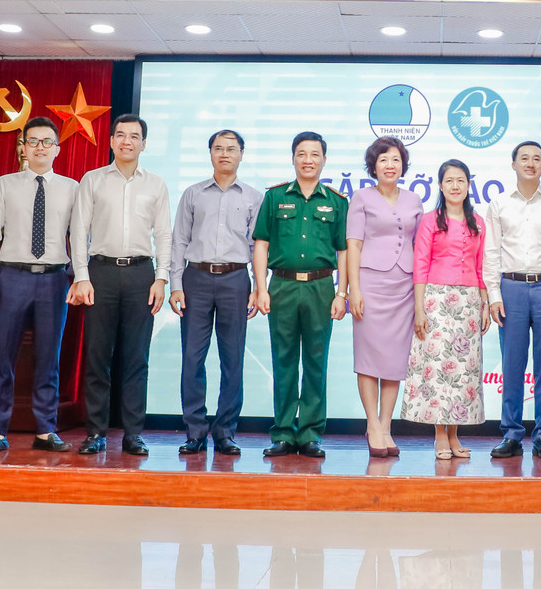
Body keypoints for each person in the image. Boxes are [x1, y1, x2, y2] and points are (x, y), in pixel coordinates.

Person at [0, 115, 80, 453]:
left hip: (54, 279)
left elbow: (80, 237)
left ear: (57, 149)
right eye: (33, 141)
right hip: (12, 277)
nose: (40, 147)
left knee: (49, 358)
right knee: (2, 356)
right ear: (23, 147)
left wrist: (81, 277)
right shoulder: (5, 184)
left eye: (47, 142)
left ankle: (46, 430)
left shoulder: (72, 188)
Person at [71, 114, 172, 457]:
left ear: (144, 144)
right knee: (97, 355)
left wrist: (161, 278)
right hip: (100, 273)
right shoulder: (93, 180)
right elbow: (79, 232)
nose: (127, 141)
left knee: (136, 358)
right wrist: (81, 277)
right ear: (112, 141)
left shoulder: (156, 185)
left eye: (134, 136)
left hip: (141, 274)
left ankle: (133, 434)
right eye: (121, 135)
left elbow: (164, 235)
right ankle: (95, 432)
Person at [253, 131, 349, 458]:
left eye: (315, 154)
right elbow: (261, 244)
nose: (308, 160)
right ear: (293, 158)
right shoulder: (275, 197)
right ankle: (282, 432)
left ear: (324, 160)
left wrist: (342, 293)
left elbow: (343, 251)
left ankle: (310, 433)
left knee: (316, 362)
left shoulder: (337, 201)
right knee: (283, 361)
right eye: (302, 154)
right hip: (282, 285)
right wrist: (261, 288)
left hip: (321, 288)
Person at [169, 129, 262, 457]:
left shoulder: (253, 197)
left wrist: (258, 287)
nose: (225, 154)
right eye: (218, 148)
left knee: (232, 358)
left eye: (231, 149)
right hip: (195, 278)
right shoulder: (193, 194)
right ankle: (194, 431)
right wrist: (175, 284)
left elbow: (257, 246)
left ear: (241, 155)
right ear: (210, 153)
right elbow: (179, 240)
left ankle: (225, 432)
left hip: (236, 280)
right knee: (192, 357)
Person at [483, 140, 541, 459]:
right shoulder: (499, 204)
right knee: (512, 363)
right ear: (514, 164)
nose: (530, 163)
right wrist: (494, 295)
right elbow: (491, 253)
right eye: (524, 158)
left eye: (537, 158)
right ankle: (511, 433)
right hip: (510, 288)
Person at [401, 159, 488, 459]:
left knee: (463, 370)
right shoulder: (430, 220)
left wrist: (485, 304)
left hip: (469, 303)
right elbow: (420, 265)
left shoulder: (478, 222)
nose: (455, 186)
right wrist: (419, 309)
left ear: (468, 185)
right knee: (438, 368)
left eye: (461, 180)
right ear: (440, 185)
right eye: (449, 180)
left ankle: (454, 434)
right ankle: (440, 434)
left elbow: (481, 267)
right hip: (436, 300)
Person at [346, 137, 423, 456]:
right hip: (370, 285)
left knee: (394, 360)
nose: (390, 165)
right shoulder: (361, 197)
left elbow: (420, 247)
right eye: (383, 160)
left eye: (395, 160)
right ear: (373, 166)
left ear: (403, 165)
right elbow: (353, 245)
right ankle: (372, 425)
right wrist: (353, 289)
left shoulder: (414, 200)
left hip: (403, 286)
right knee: (368, 358)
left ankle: (386, 426)